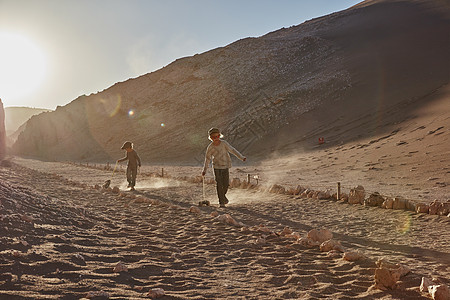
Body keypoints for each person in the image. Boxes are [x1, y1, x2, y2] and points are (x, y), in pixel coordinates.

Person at [202, 128, 246, 207]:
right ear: (210, 138)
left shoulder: (224, 144)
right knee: (219, 184)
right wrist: (204, 170)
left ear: (220, 135)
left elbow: (232, 150)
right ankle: (221, 202)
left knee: (225, 184)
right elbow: (207, 159)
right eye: (213, 137)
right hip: (216, 167)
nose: (216, 138)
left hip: (225, 166)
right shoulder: (210, 147)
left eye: (217, 136)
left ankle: (223, 197)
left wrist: (241, 157)